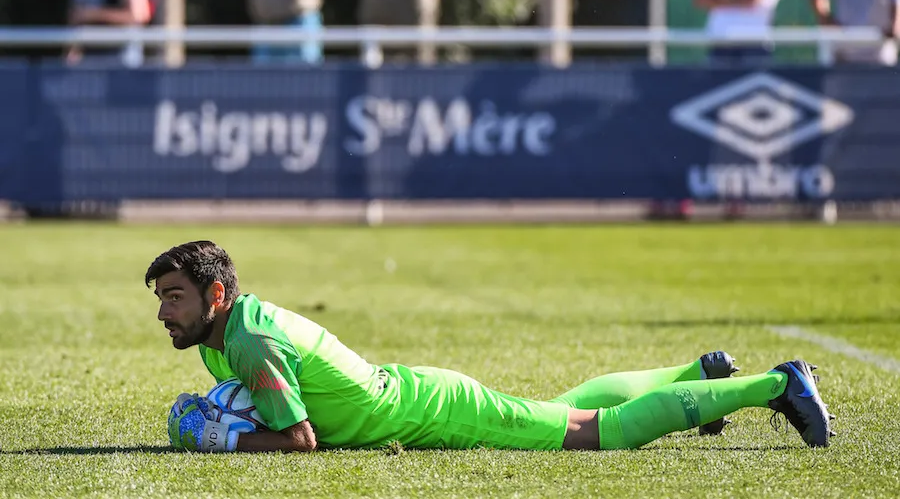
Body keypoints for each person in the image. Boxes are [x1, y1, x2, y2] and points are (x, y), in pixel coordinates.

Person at [148, 241, 835, 454]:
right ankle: (691, 375)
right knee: (553, 410)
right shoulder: (225, 330)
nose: (162, 313)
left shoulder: (252, 342)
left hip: (436, 411)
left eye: (173, 297)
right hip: (421, 395)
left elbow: (299, 442)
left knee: (600, 435)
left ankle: (774, 385)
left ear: (216, 297)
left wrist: (225, 438)